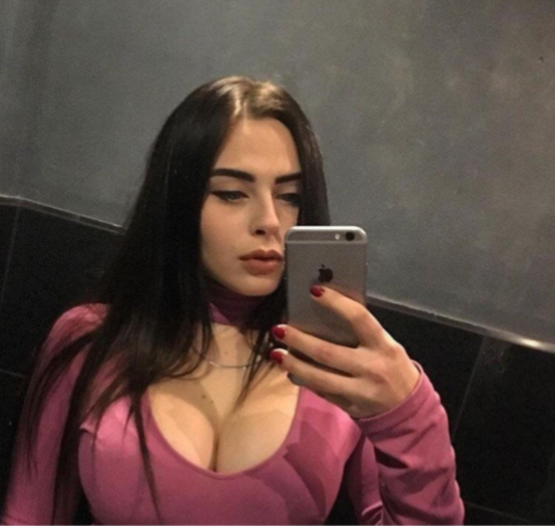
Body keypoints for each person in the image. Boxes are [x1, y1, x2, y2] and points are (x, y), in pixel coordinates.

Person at [1, 76, 464, 525]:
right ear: (177, 202)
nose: (270, 221)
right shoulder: (91, 342)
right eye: (232, 193)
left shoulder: (339, 368)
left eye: (290, 196)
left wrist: (411, 414)